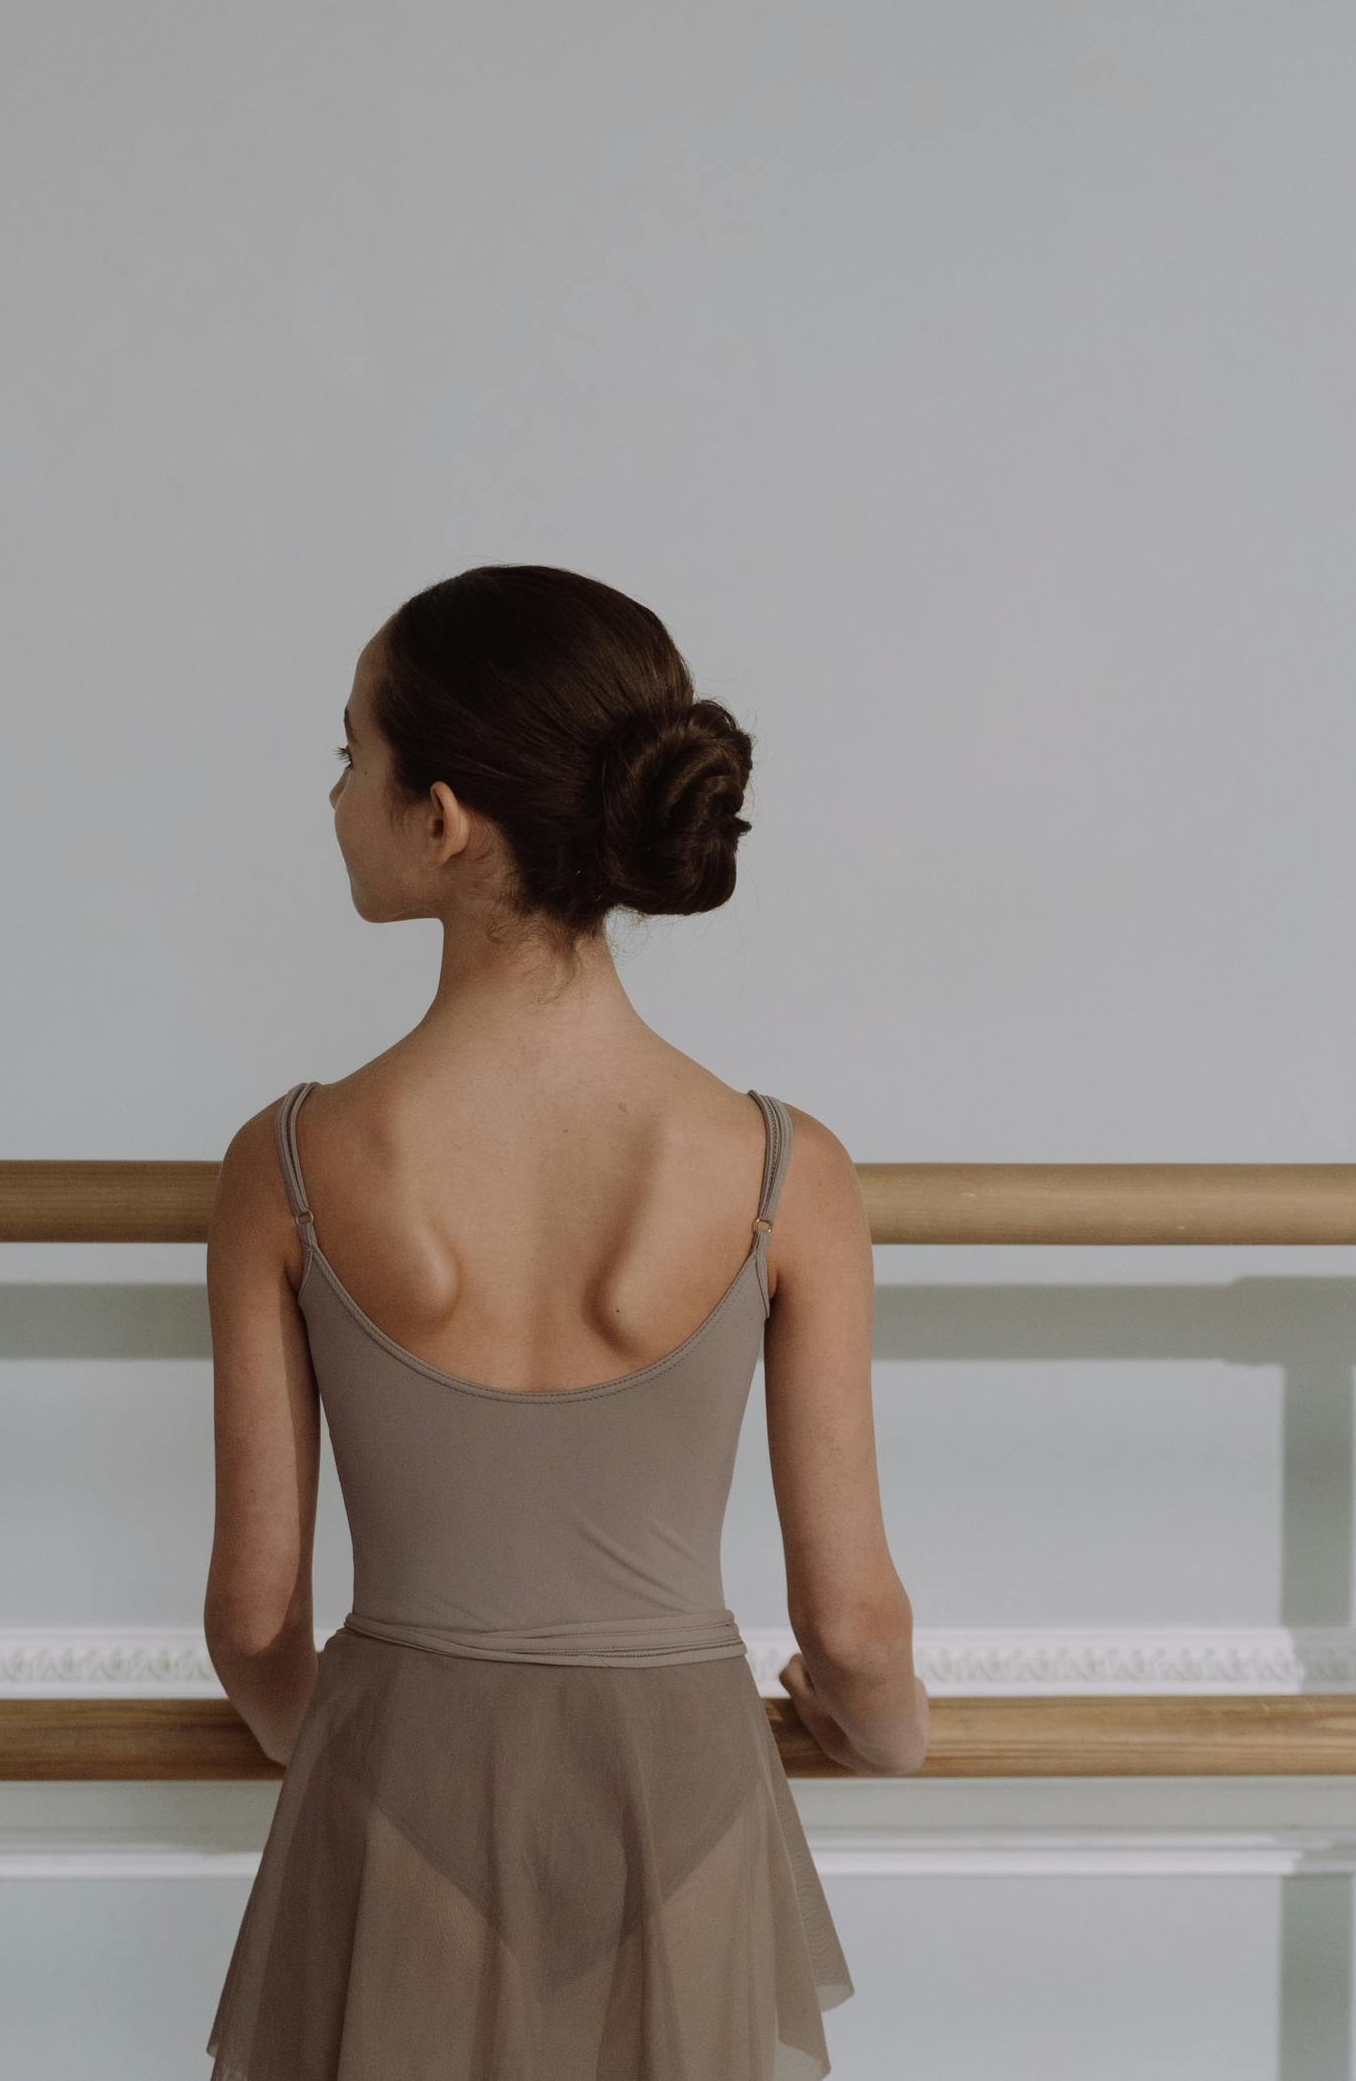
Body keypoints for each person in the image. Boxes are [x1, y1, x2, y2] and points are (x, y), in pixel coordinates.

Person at [200, 564, 928, 2080]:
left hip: (397, 1779)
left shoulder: (290, 1165)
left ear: (444, 816)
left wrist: (323, 1744)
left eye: (353, 755)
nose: (337, 794)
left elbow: (256, 1618)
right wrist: (889, 1734)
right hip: (682, 1797)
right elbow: (852, 1622)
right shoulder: (786, 1170)